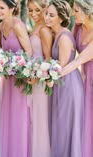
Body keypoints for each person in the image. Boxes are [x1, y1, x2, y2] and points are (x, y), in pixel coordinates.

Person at [45, 0, 84, 156]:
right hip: (60, 84)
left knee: (64, 127)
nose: (47, 17)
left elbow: (60, 68)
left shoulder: (64, 38)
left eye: (51, 15)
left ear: (61, 18)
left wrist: (46, 76)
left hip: (68, 86)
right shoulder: (57, 34)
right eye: (47, 13)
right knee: (59, 127)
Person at [0, 0, 32, 156]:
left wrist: (17, 66)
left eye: (2, 8)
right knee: (7, 115)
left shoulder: (18, 26)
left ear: (12, 8)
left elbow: (29, 52)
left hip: (19, 78)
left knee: (19, 116)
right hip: (7, 79)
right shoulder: (0, 26)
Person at [60, 1, 93, 156]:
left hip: (89, 78)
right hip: (85, 79)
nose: (73, 14)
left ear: (88, 12)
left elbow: (78, 61)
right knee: (85, 120)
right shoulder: (77, 27)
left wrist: (56, 73)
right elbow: (69, 50)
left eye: (76, 11)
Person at [27, 0, 52, 156]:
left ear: (44, 9)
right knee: (33, 119)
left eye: (37, 10)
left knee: (40, 119)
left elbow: (48, 59)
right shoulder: (35, 27)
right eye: (30, 10)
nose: (33, 14)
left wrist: (38, 76)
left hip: (41, 82)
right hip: (32, 79)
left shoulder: (44, 30)